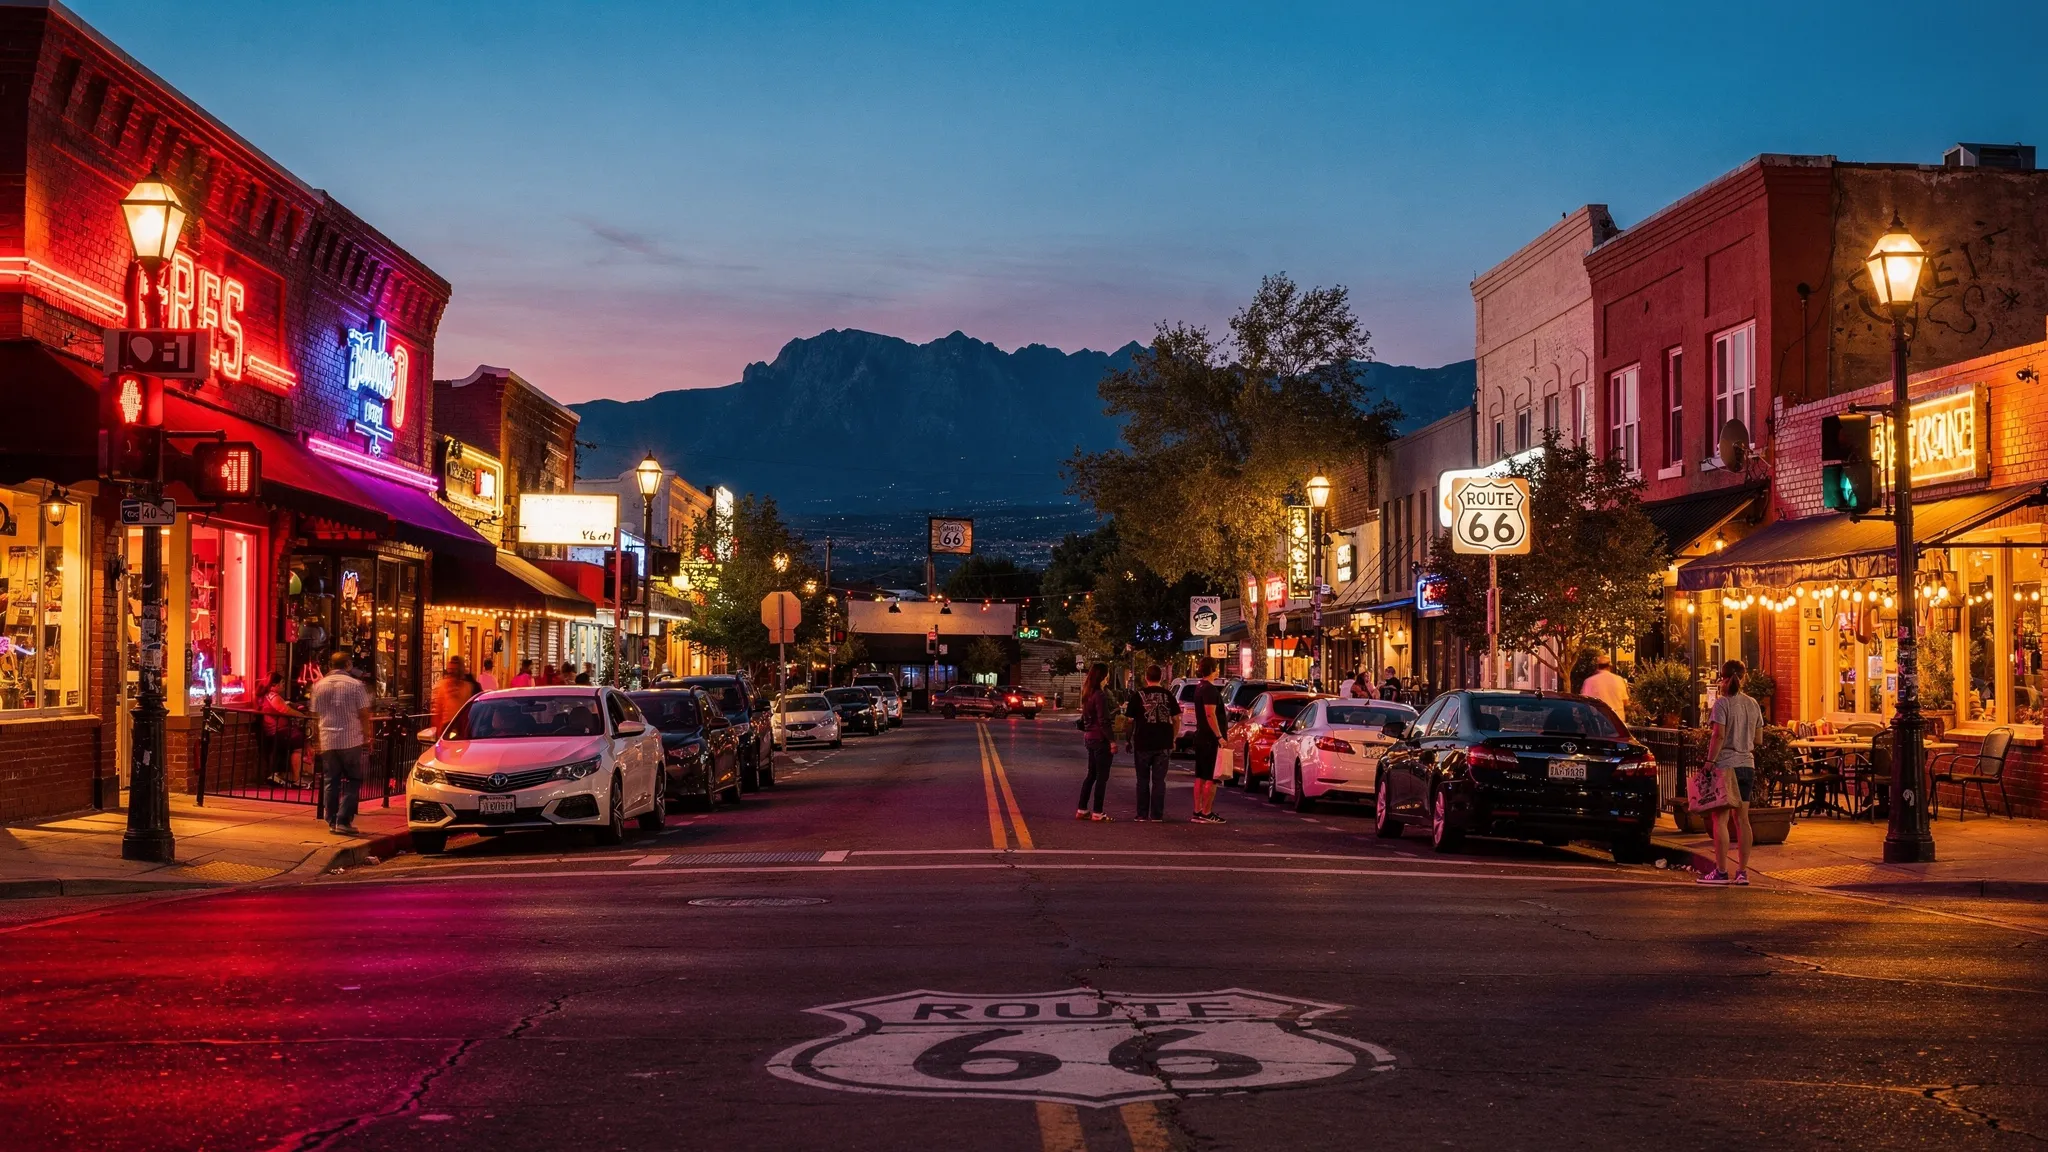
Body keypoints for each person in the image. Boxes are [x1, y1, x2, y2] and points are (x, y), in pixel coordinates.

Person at [1698, 659, 1762, 886]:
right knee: (1743, 820)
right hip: (1747, 765)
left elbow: (1718, 735)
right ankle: (1742, 872)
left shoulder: (1722, 704)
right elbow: (1758, 739)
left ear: (1722, 678)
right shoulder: (1753, 704)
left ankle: (1721, 871)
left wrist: (1708, 761)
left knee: (1721, 819)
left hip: (1726, 765)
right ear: (1744, 677)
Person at [309, 651, 372, 837]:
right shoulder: (356, 685)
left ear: (331, 665)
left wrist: (316, 740)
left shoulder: (319, 686)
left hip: (328, 739)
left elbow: (315, 716)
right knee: (354, 779)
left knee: (331, 781)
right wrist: (367, 736)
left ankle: (332, 820)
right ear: (348, 665)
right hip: (351, 739)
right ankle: (343, 820)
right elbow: (363, 714)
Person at [1125, 663, 1176, 821]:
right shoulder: (1168, 695)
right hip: (1163, 742)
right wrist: (1174, 737)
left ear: (1146, 678)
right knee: (1159, 781)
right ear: (1160, 677)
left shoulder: (1138, 695)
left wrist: (1129, 739)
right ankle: (1157, 815)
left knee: (1142, 780)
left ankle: (1141, 814)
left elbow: (1129, 720)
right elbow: (1176, 718)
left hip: (1143, 741)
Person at [1076, 662, 1116, 821]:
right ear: (1103, 676)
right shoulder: (1100, 695)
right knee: (1101, 777)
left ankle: (1082, 808)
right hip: (1100, 739)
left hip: (1090, 738)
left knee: (1091, 774)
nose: (1108, 678)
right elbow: (1104, 720)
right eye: (1107, 675)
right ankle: (1098, 812)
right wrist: (1112, 741)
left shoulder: (1088, 693)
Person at [256, 671, 311, 787]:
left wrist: (291, 704)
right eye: (281, 683)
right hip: (278, 731)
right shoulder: (274, 697)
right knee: (298, 744)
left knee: (298, 739)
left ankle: (283, 774)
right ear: (273, 685)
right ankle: (297, 779)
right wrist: (304, 716)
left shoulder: (268, 696)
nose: (283, 686)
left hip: (275, 731)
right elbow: (286, 711)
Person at [1189, 656, 1227, 824]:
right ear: (1212, 670)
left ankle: (1197, 810)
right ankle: (1206, 811)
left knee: (1201, 776)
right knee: (1212, 777)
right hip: (1211, 739)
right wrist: (1220, 736)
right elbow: (1210, 714)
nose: (1218, 670)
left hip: (1201, 736)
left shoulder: (1199, 688)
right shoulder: (1210, 690)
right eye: (1217, 667)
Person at [431, 657, 477, 735]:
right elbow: (438, 712)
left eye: (455, 671)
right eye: (451, 671)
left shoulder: (468, 687)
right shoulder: (443, 686)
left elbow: (471, 711)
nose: (452, 675)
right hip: (447, 727)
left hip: (462, 728)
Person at [1581, 653, 1630, 720]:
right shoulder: (1619, 680)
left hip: (1597, 721)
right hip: (1617, 721)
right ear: (1609, 666)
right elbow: (1626, 702)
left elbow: (1584, 703)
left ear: (1597, 666)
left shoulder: (1588, 681)